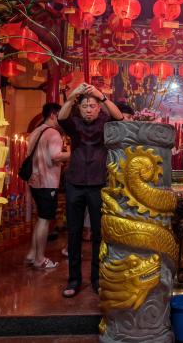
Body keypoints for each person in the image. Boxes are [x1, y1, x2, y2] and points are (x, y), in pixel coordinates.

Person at [58, 83, 123, 297]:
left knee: (98, 234)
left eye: (92, 106)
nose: (88, 109)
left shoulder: (105, 123)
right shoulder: (74, 123)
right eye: (85, 105)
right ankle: (73, 280)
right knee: (74, 233)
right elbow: (60, 117)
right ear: (80, 108)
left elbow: (120, 116)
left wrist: (101, 96)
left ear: (98, 108)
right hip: (75, 182)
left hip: (98, 183)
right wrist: (72, 97)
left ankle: (97, 279)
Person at [24, 103, 70, 269]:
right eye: (61, 115)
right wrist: (74, 153)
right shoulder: (53, 133)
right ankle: (40, 259)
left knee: (40, 219)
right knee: (44, 220)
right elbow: (55, 156)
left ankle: (32, 253)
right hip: (47, 182)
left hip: (34, 181)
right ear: (53, 114)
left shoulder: (36, 131)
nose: (63, 119)